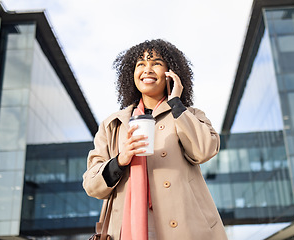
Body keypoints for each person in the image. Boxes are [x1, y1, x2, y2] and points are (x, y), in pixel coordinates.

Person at [83, 39, 227, 240]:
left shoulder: (191, 114)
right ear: (131, 75)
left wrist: (176, 103)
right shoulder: (113, 123)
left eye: (156, 63)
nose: (147, 69)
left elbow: (204, 150)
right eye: (140, 64)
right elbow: (91, 185)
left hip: (186, 228)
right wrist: (120, 160)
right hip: (128, 229)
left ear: (171, 72)